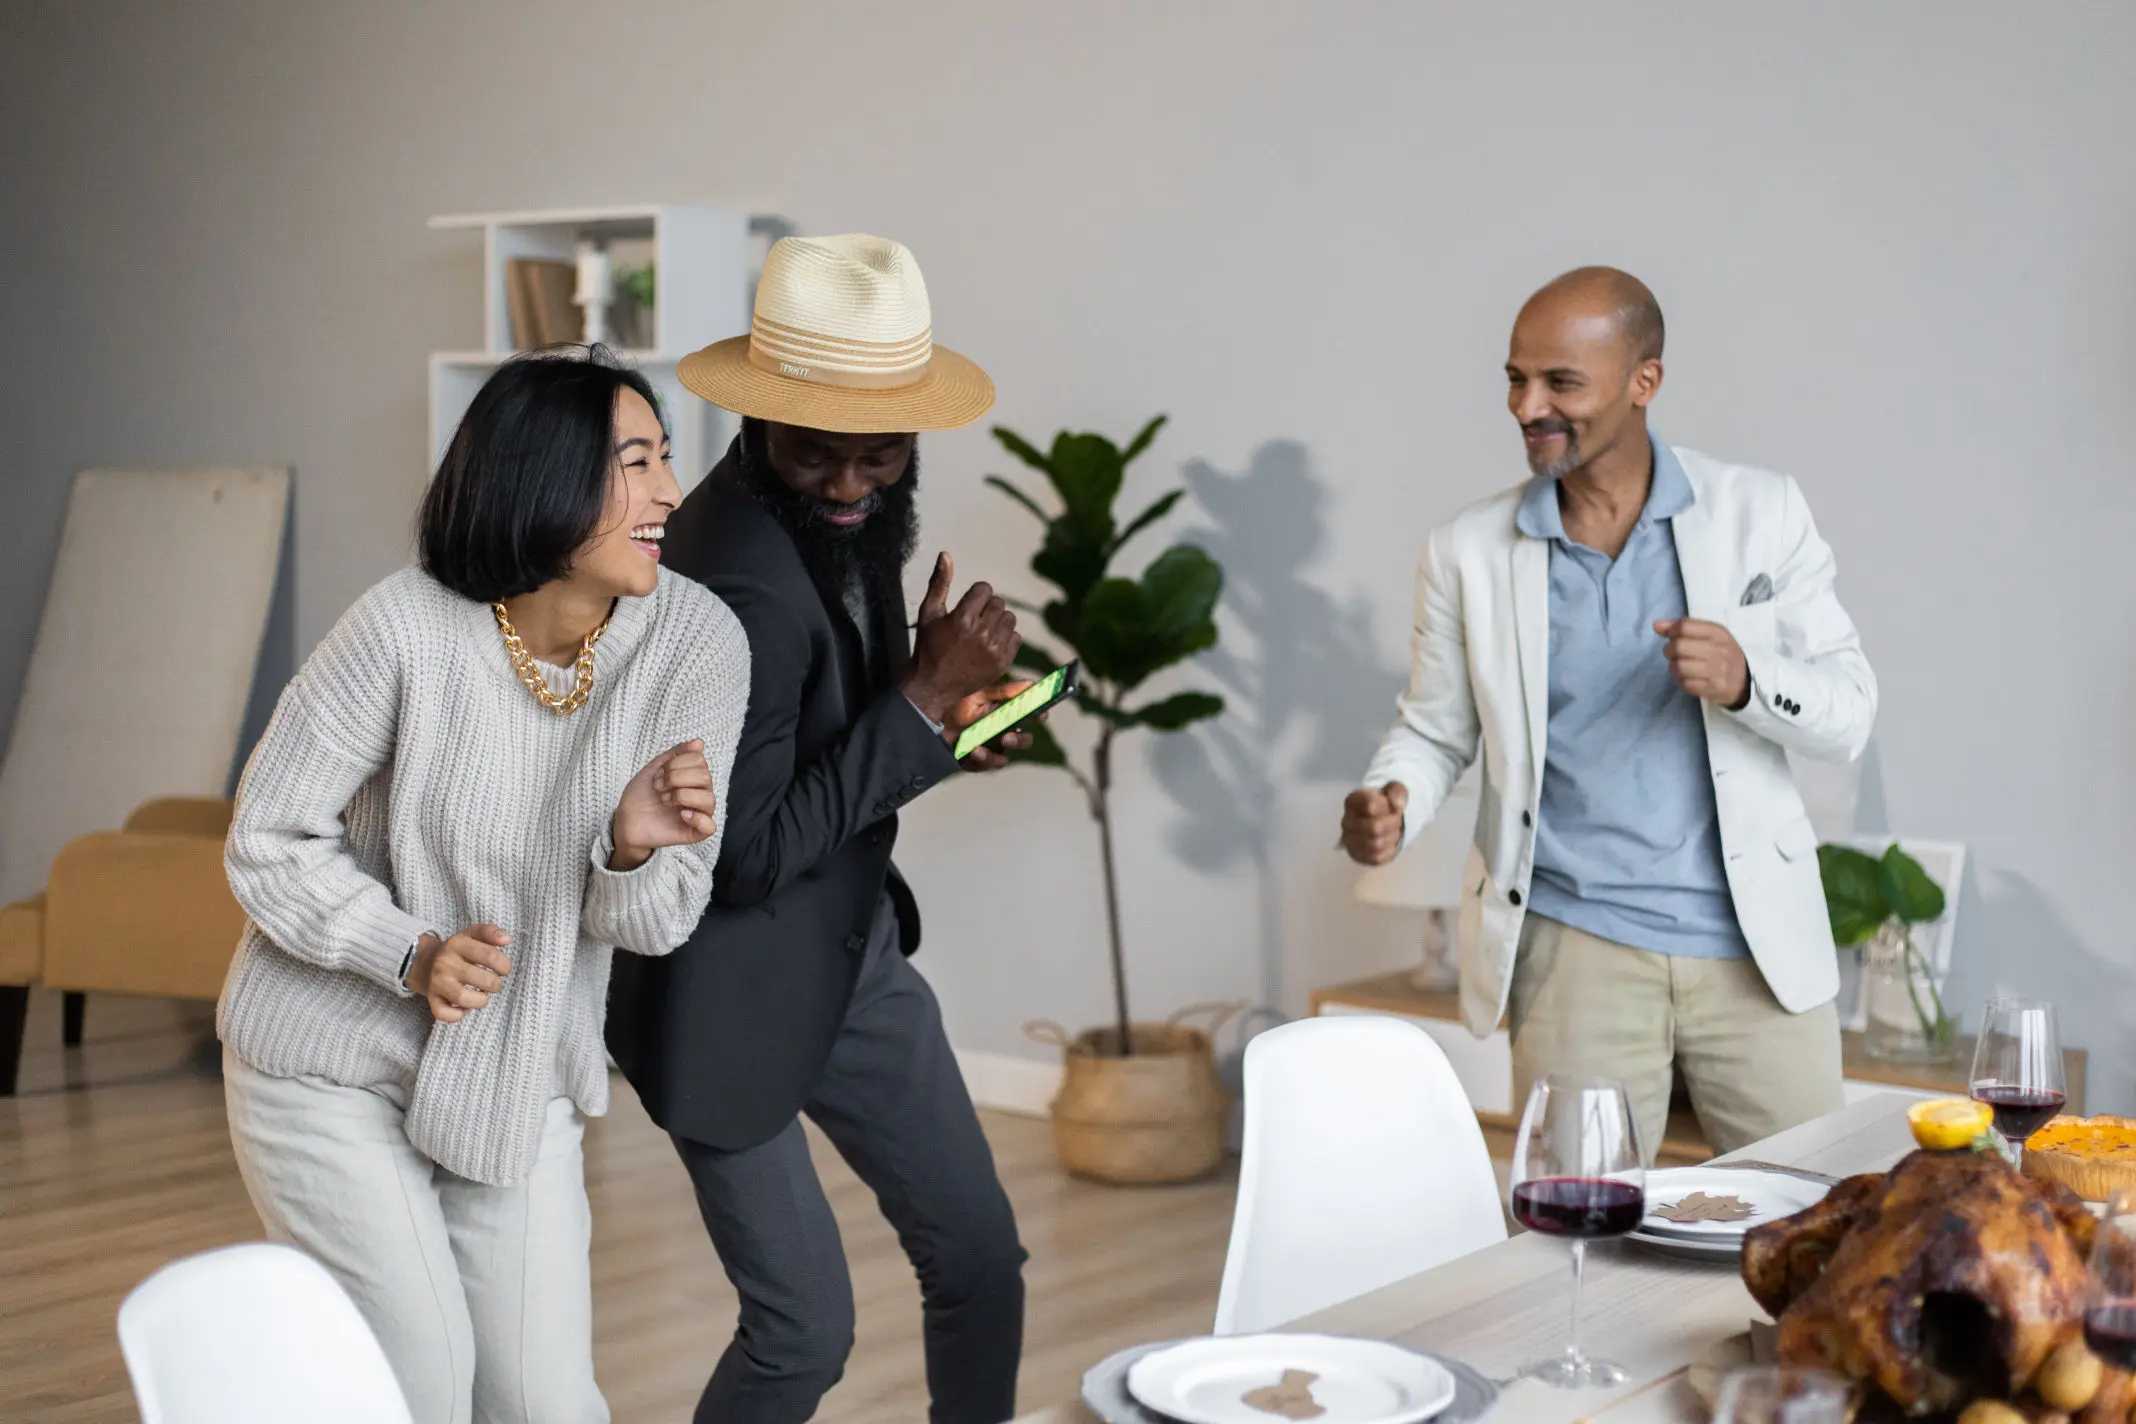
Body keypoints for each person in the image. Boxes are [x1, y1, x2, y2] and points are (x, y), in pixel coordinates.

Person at [217, 349, 750, 1424]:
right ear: (543, 480)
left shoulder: (697, 641)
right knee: (417, 1378)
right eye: (635, 462)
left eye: (666, 460)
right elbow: (266, 837)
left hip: (515, 1073)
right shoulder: (404, 626)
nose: (670, 494)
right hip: (329, 1061)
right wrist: (406, 951)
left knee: (545, 1402)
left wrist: (634, 845)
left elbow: (657, 922)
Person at [607, 234, 1029, 1424]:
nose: (851, 486)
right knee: (803, 1334)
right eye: (817, 456)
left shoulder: (839, 523)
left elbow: (821, 741)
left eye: (880, 456)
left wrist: (945, 720)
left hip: (850, 954)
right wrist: (918, 702)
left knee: (981, 1261)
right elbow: (739, 852)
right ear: (757, 426)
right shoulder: (732, 580)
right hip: (726, 992)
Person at [1341, 268, 1877, 1161]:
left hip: (1754, 948)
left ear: (1644, 381)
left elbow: (1849, 708)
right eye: (1516, 378)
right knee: (1578, 1241)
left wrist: (1747, 678)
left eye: (1561, 383)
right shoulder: (1466, 551)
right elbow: (1436, 729)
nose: (1527, 406)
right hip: (1574, 947)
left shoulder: (1761, 511)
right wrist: (1391, 794)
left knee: (1815, 1224)